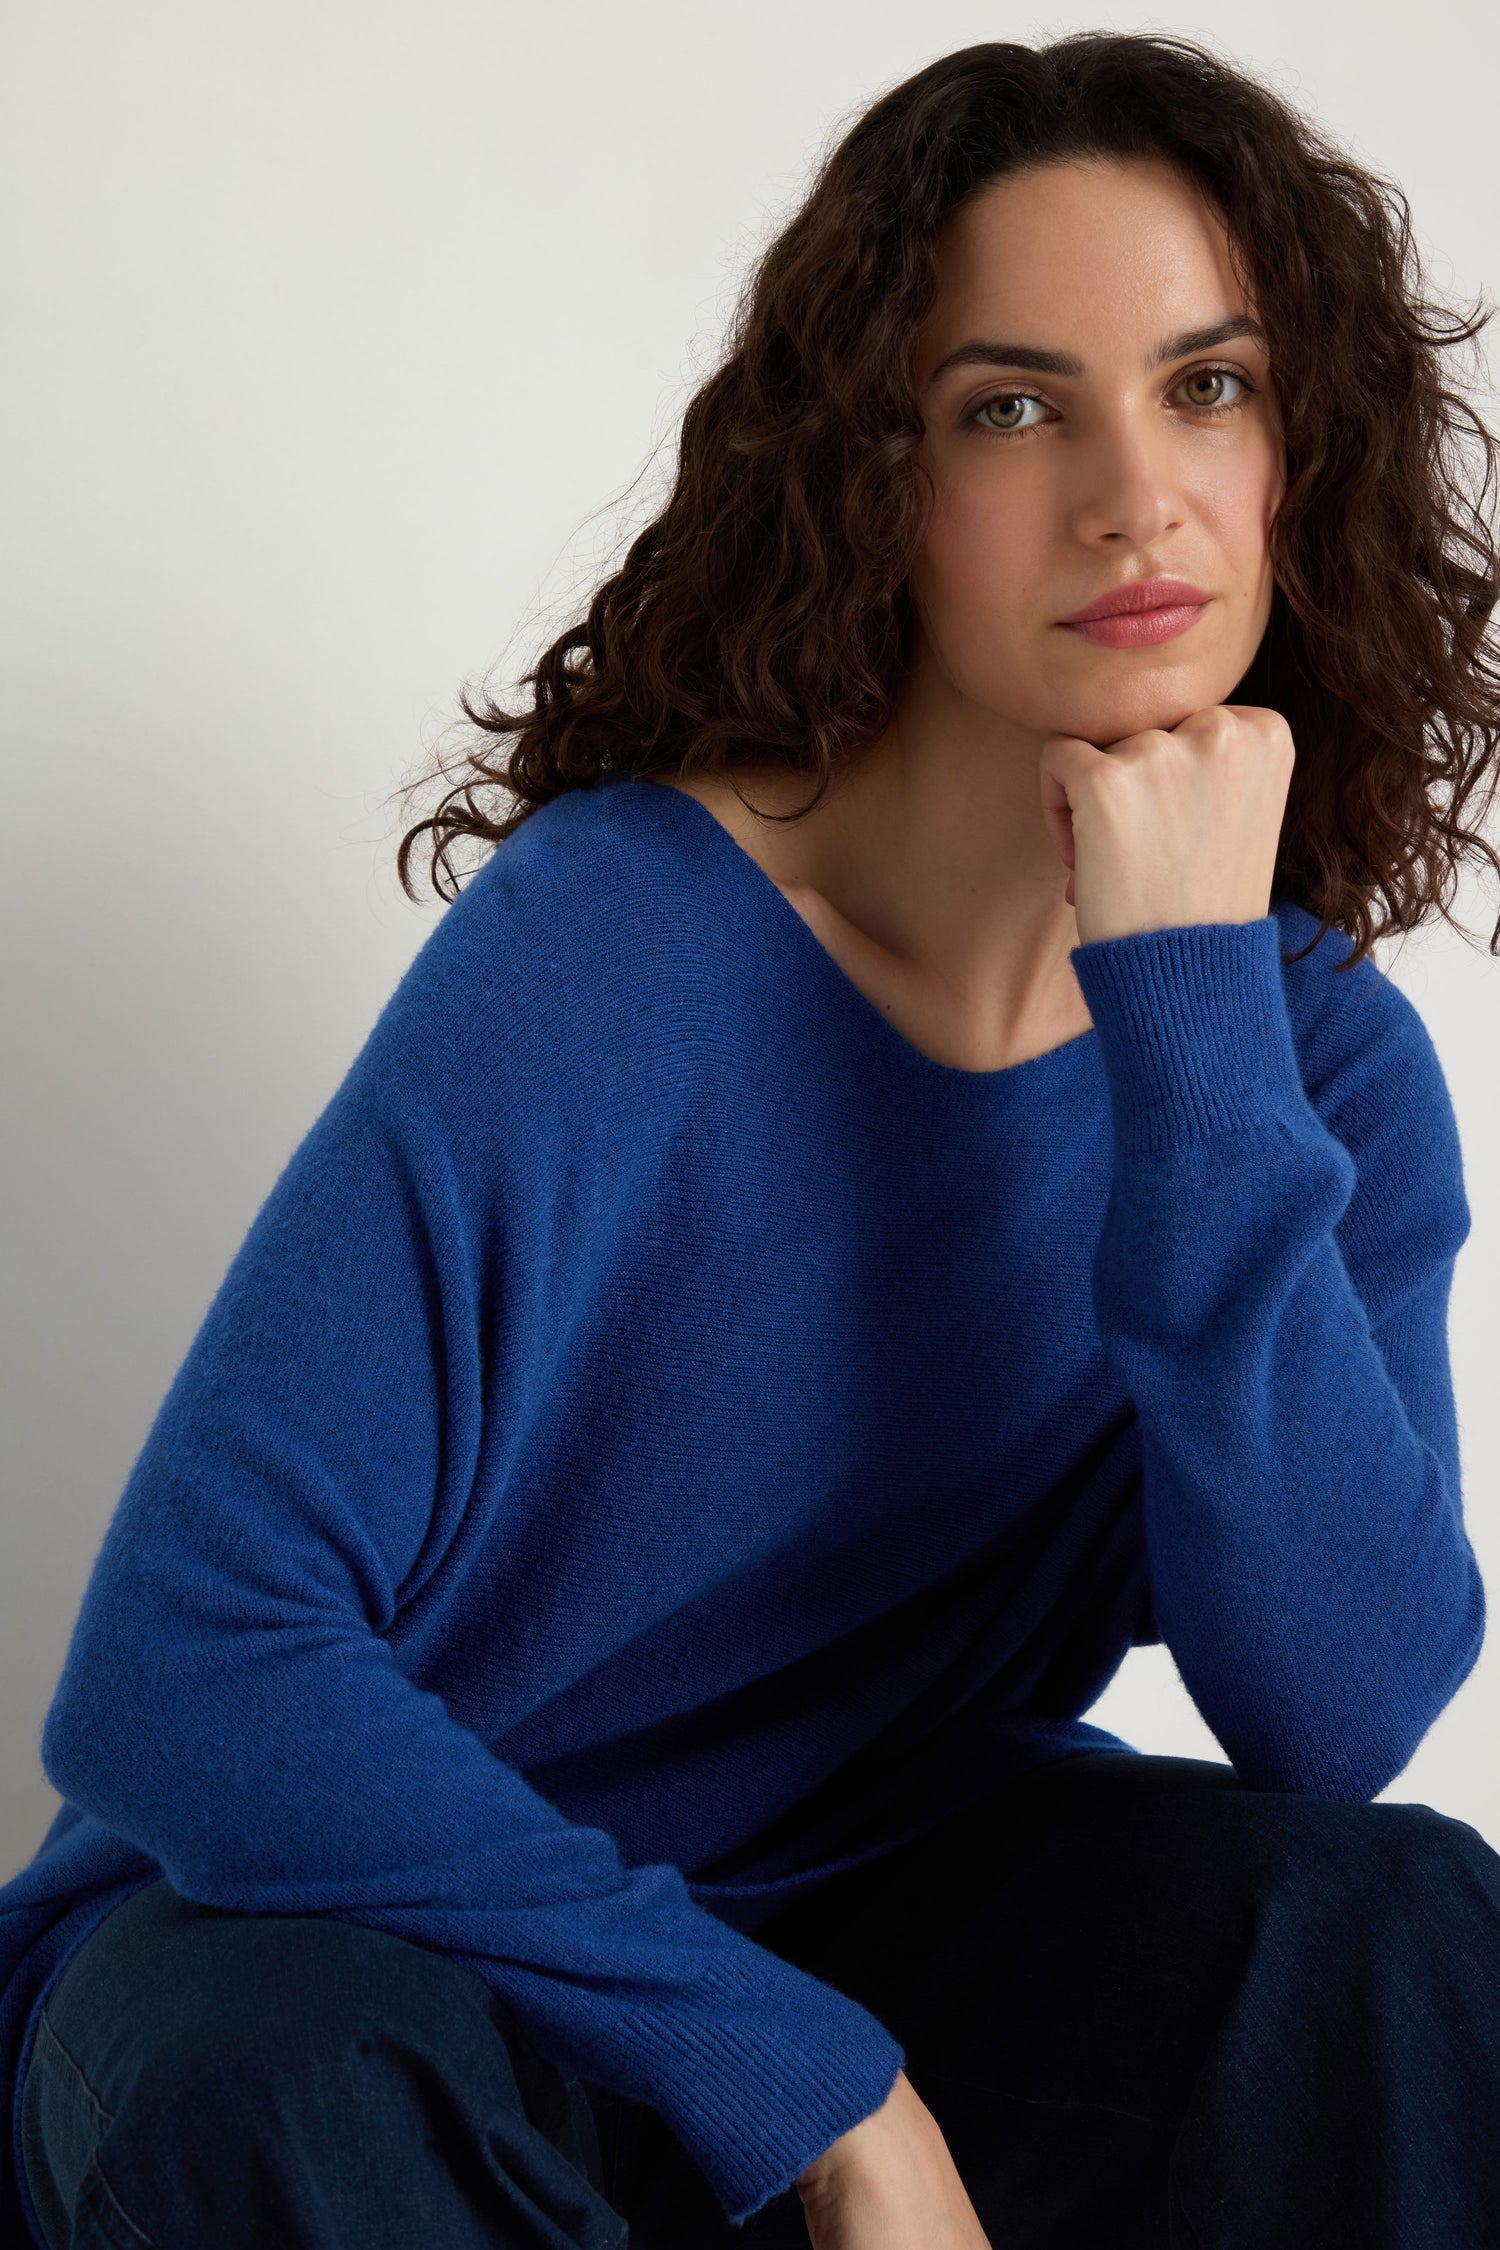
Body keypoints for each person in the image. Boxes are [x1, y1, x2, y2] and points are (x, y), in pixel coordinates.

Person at [6, 28, 1500, 2250]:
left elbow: (1337, 1705)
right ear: (879, 479)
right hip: (362, 1951)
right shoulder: (624, 949)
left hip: (878, 1902)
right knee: (286, 2079)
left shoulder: (1299, 1063)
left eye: (1212, 388)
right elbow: (182, 1673)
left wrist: (1187, 1020)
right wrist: (814, 2085)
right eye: (1017, 407)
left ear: (1309, 447)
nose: (1135, 496)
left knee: (1386, 1927)